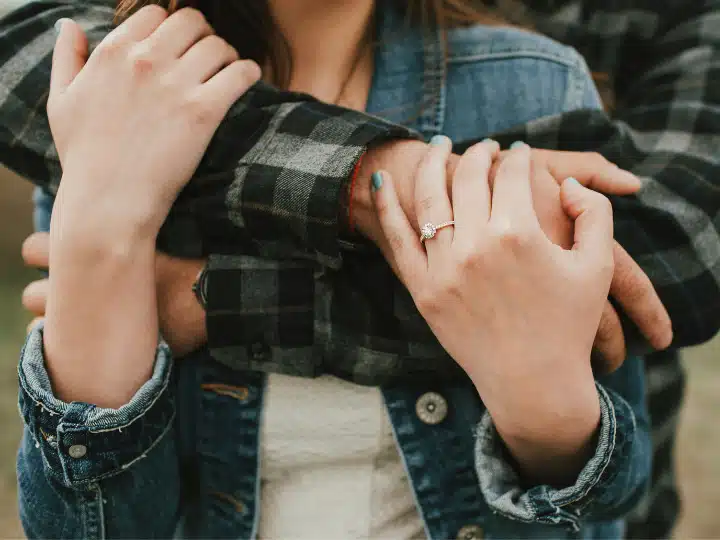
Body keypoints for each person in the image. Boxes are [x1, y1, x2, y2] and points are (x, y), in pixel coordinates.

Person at [1, 0, 718, 538]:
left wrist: (208, 299)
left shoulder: (528, 85)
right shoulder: (112, 91)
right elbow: (88, 525)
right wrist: (101, 239)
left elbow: (605, 493)